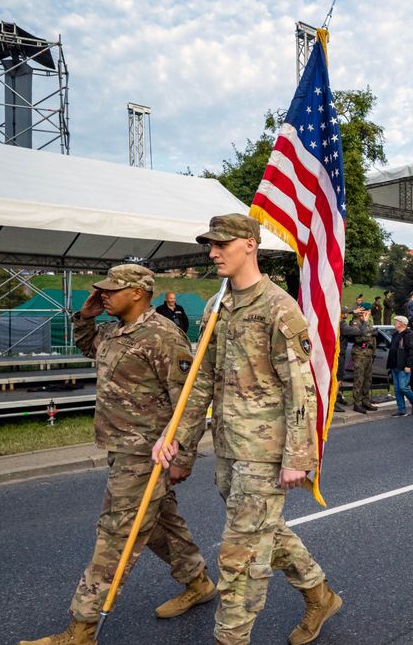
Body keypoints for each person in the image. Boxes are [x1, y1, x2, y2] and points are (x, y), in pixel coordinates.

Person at [154, 214, 340, 645]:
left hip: (266, 452)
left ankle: (230, 638)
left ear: (250, 245)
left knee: (238, 556)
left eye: (222, 244)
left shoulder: (278, 307)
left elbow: (301, 388)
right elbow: (201, 380)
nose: (213, 252)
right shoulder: (218, 307)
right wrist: (179, 441)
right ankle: (320, 595)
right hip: (229, 448)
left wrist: (297, 456)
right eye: (210, 245)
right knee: (264, 532)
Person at [21, 264, 212, 645]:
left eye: (112, 289)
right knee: (160, 526)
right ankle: (199, 582)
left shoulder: (162, 336)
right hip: (120, 448)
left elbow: (189, 400)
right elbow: (87, 346)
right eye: (102, 290)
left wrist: (184, 456)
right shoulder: (113, 331)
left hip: (148, 454)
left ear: (139, 293)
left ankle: (82, 628)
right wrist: (86, 316)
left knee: (116, 534)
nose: (104, 294)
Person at [339, 304, 377, 414]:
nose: (369, 313)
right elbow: (359, 337)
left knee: (367, 379)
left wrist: (372, 348)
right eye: (368, 311)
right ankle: (357, 403)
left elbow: (371, 337)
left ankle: (365, 400)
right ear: (363, 311)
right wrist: (369, 334)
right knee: (359, 379)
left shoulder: (368, 322)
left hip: (369, 353)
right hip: (360, 353)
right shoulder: (356, 322)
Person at [387, 315, 413, 417]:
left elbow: (411, 351)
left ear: (401, 323)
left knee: (403, 387)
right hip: (394, 365)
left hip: (404, 366)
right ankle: (401, 409)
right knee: (397, 389)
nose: (394, 322)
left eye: (396, 321)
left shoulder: (408, 334)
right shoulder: (395, 334)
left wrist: (408, 365)